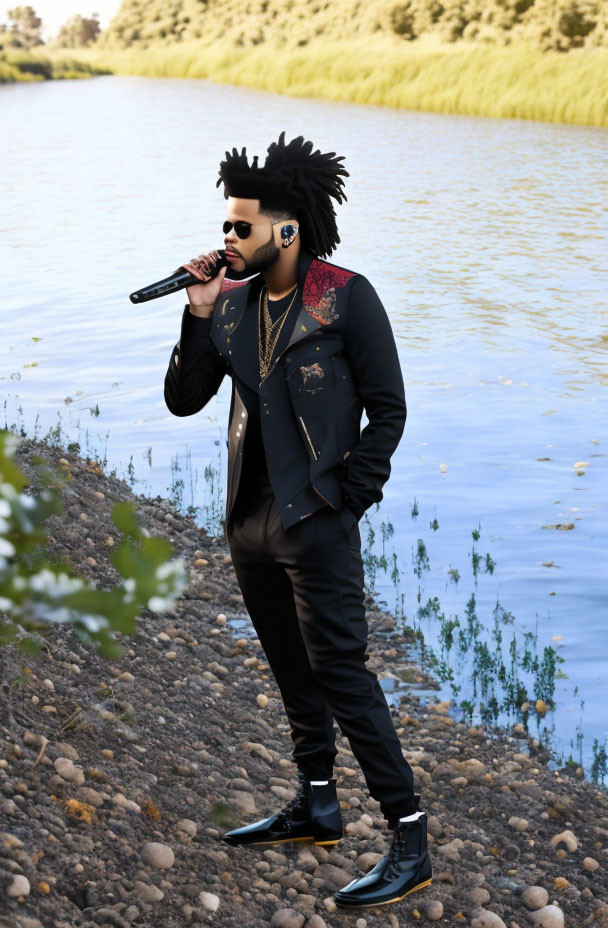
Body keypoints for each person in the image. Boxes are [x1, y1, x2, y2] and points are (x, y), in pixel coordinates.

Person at [164, 132, 432, 908]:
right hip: (249, 520)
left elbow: (389, 410)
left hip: (316, 517)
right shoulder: (232, 304)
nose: (226, 240)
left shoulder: (346, 295)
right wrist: (197, 314)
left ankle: (409, 838)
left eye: (239, 227)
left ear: (288, 228)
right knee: (290, 668)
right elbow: (185, 399)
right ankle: (317, 804)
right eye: (224, 227)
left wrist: (350, 498)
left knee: (343, 675)